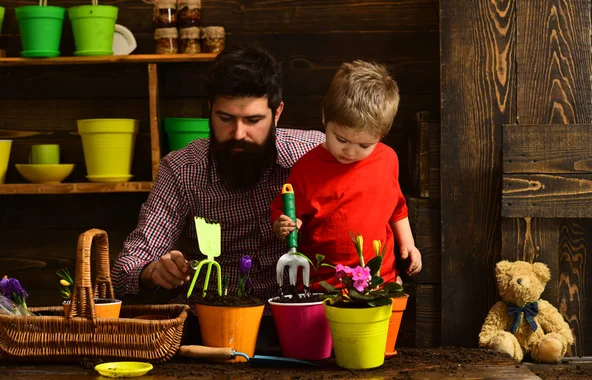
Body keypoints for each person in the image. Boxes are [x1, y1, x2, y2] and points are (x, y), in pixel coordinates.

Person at [110, 45, 325, 347]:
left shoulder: (314, 157)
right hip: (209, 328)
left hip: (300, 321)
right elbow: (125, 269)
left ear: (277, 113)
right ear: (209, 109)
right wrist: (152, 271)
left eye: (252, 120)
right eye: (225, 118)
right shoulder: (183, 169)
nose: (238, 133)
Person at [270, 60, 422, 292]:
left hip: (377, 281)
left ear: (382, 134)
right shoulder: (307, 168)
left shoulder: (387, 159)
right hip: (323, 285)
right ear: (324, 117)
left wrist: (408, 244)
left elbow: (397, 209)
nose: (350, 151)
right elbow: (286, 213)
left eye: (364, 144)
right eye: (341, 139)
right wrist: (287, 225)